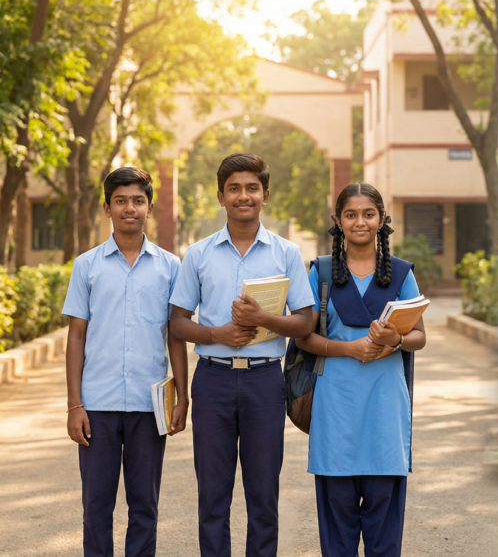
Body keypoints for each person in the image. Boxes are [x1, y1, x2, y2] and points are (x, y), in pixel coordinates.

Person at [168, 152, 314, 557]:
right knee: (212, 496)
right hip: (212, 380)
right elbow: (177, 322)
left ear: (265, 195)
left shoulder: (286, 252)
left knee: (263, 495)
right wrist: (218, 333)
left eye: (252, 188)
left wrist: (263, 317)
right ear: (221, 196)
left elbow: (305, 322)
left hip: (265, 382)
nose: (243, 196)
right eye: (234, 189)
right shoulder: (198, 254)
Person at [293, 183, 426, 557]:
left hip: (385, 412)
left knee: (384, 532)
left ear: (382, 220)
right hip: (335, 410)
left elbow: (419, 336)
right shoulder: (320, 273)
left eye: (369, 214)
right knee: (338, 531)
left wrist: (394, 341)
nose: (360, 221)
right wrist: (350, 348)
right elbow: (304, 338)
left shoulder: (401, 274)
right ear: (337, 221)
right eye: (350, 214)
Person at [63, 166, 188, 557]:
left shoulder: (170, 267)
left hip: (149, 406)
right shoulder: (87, 266)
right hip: (96, 405)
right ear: (107, 208)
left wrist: (182, 397)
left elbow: (175, 335)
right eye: (120, 201)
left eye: (137, 200)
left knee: (145, 507)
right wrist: (74, 405)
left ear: (149, 207)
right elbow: (76, 336)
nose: (129, 208)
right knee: (95, 506)